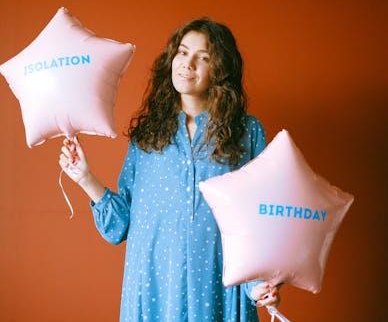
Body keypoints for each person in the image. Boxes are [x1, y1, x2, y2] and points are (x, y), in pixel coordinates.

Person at [59, 18, 281, 322]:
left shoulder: (247, 132)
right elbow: (120, 226)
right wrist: (85, 177)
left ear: (222, 69)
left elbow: (259, 224)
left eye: (203, 57)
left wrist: (258, 287)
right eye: (182, 52)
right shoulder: (148, 136)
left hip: (220, 287)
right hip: (154, 288)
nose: (187, 63)